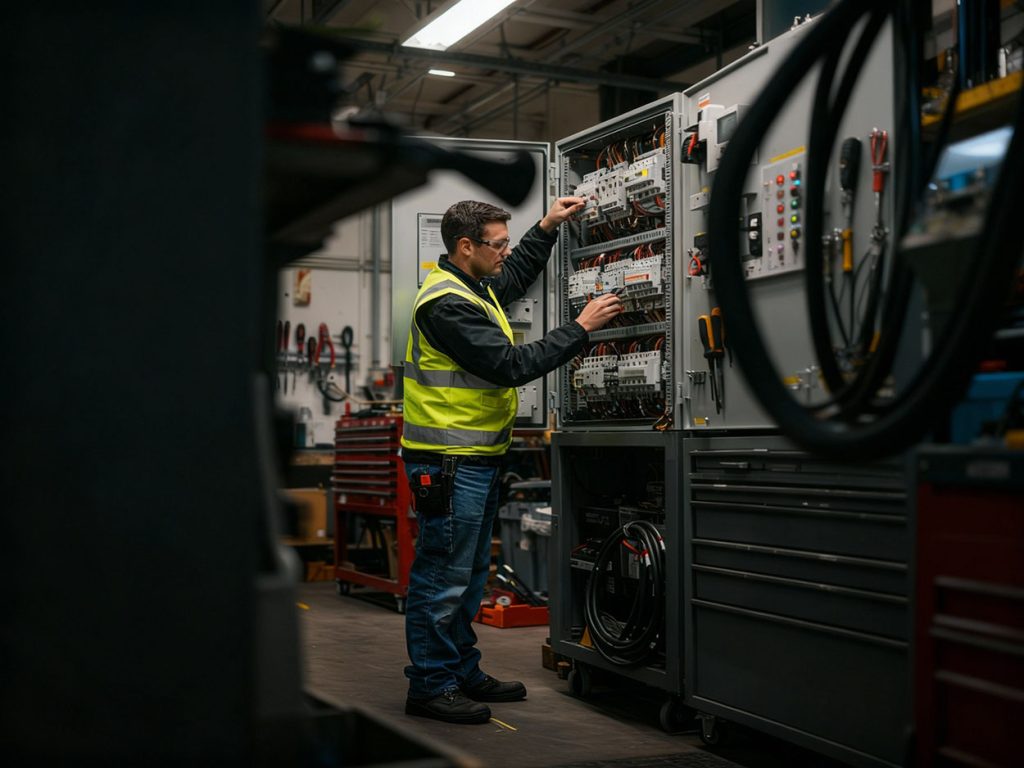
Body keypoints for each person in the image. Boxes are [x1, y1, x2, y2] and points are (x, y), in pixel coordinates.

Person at [400, 197, 623, 724]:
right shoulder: (446, 304)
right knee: (443, 579)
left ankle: (460, 670)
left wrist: (546, 227)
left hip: (473, 459)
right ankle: (430, 685)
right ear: (466, 246)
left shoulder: (472, 287)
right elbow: (509, 365)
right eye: (497, 244)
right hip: (450, 462)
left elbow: (515, 274)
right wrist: (581, 327)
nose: (504, 251)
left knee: (469, 576)